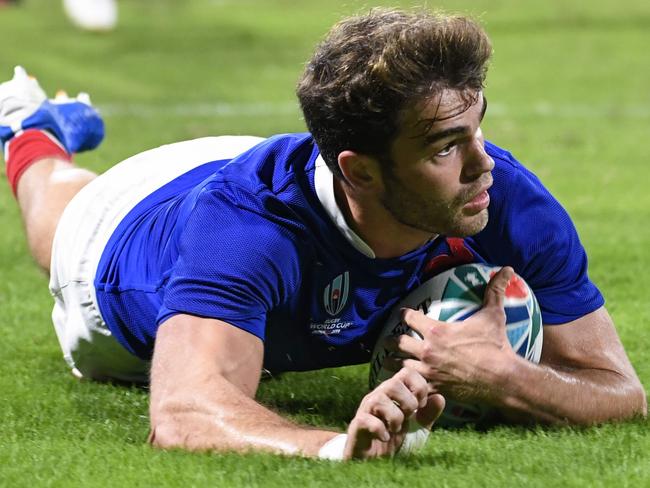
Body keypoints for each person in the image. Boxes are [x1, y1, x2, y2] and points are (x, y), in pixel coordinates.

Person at [0, 9, 645, 461]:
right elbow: (184, 413)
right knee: (54, 207)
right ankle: (30, 130)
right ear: (361, 170)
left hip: (287, 164)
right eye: (447, 146)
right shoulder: (249, 233)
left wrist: (506, 378)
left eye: (477, 129)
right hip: (122, 234)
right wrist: (336, 447)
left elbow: (621, 391)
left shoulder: (497, 195)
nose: (484, 164)